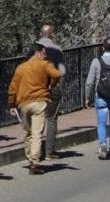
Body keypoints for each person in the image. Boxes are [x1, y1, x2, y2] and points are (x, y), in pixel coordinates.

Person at [7, 43, 62, 174]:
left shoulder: (21, 68)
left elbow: (13, 88)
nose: (45, 56)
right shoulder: (44, 65)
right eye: (43, 53)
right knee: (37, 133)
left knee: (29, 132)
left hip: (24, 103)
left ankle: (29, 156)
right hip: (39, 101)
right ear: (37, 53)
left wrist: (11, 104)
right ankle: (34, 162)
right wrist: (50, 85)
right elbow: (57, 74)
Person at [37, 25, 66, 160]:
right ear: (52, 34)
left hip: (35, 86)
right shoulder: (57, 50)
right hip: (52, 86)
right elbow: (62, 72)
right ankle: (49, 152)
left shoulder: (33, 49)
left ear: (41, 34)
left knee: (36, 118)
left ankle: (34, 152)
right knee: (51, 118)